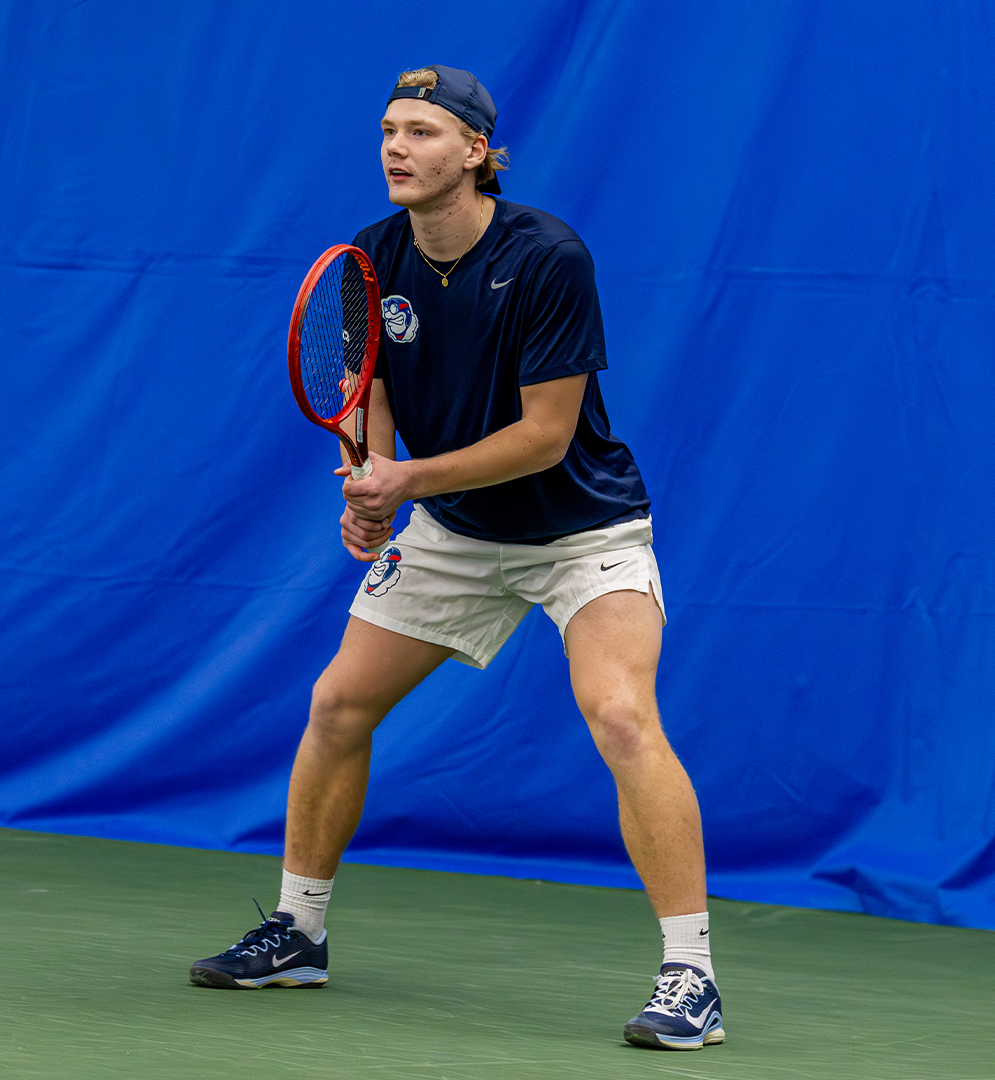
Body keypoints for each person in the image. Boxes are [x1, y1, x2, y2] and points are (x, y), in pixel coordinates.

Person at [189, 65, 723, 1052]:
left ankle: (691, 977)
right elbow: (368, 390)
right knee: (337, 705)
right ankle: (299, 931)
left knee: (620, 712)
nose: (397, 147)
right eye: (389, 129)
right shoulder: (369, 257)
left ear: (477, 152)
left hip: (582, 536)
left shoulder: (548, 256)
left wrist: (405, 485)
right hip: (453, 533)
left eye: (424, 132)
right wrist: (368, 480)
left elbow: (545, 436)